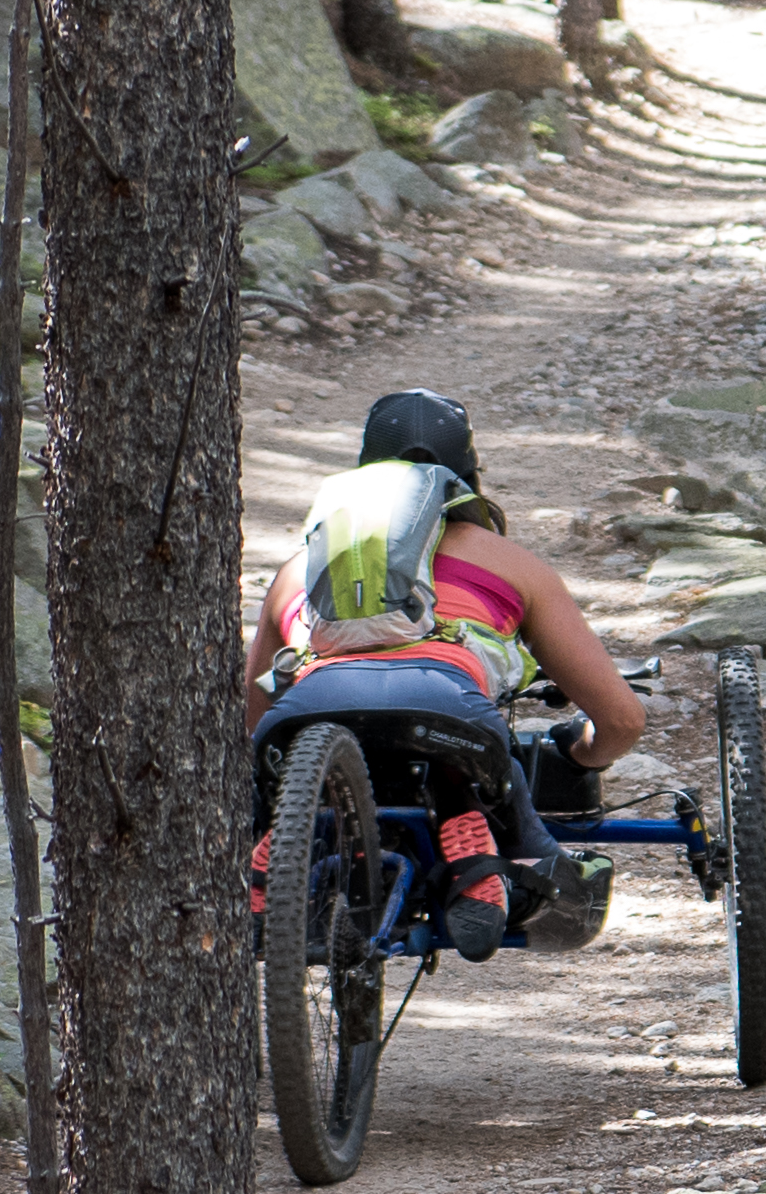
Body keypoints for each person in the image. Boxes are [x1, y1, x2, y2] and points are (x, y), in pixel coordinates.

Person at [253, 389, 648, 953]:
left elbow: (252, 707)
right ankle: (483, 856)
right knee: (486, 770)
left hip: (310, 713)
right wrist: (583, 754)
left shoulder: (298, 569)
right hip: (445, 707)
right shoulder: (509, 563)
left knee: (273, 777)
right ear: (466, 475)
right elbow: (622, 720)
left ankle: (271, 848)